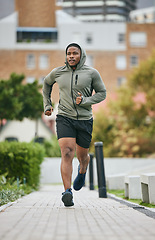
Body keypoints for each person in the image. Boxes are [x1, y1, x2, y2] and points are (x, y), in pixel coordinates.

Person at [43, 43, 106, 207]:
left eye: (74, 53)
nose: (71, 56)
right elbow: (46, 83)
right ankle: (67, 191)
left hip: (85, 119)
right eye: (68, 53)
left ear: (81, 55)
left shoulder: (91, 73)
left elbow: (102, 93)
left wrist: (85, 101)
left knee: (82, 156)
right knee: (66, 152)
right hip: (64, 117)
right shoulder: (58, 72)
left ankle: (83, 169)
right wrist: (47, 104)